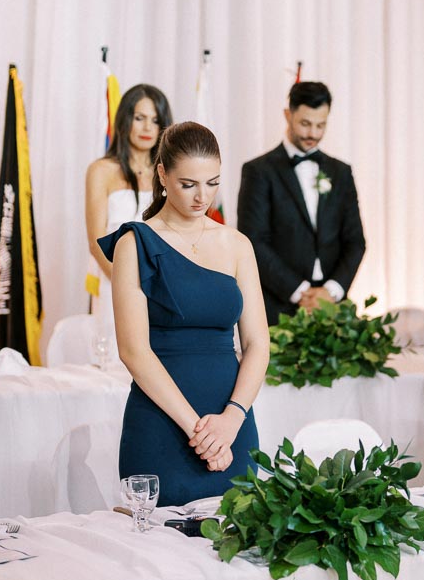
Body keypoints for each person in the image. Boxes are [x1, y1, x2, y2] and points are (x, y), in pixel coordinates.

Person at [98, 122, 266, 507]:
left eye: (212, 183)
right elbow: (134, 352)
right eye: (188, 184)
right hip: (162, 425)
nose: (201, 197)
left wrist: (232, 420)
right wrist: (200, 432)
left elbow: (258, 344)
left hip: (232, 425)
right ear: (162, 174)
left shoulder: (237, 245)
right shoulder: (133, 243)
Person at [236, 81, 366, 324]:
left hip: (334, 308)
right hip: (278, 307)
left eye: (321, 125)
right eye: (305, 124)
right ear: (288, 115)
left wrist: (331, 292)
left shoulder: (341, 172)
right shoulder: (258, 171)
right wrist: (301, 292)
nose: (313, 134)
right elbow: (253, 241)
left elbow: (355, 241)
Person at [84, 84, 172, 330]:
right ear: (125, 120)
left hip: (164, 289)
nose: (147, 127)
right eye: (139, 118)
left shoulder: (169, 172)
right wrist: (130, 288)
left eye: (155, 120)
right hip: (114, 283)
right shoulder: (101, 170)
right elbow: (96, 242)